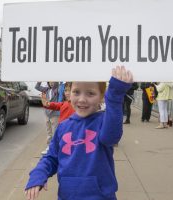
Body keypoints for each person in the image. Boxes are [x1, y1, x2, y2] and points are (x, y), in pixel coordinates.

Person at [25, 66, 133, 200]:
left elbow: (111, 137)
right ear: (69, 94)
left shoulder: (104, 121)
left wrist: (115, 96)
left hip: (101, 196)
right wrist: (38, 174)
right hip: (67, 196)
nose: (82, 99)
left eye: (90, 93)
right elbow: (51, 157)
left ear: (101, 97)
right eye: (76, 92)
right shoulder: (63, 127)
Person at [35, 82, 59, 155]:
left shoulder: (58, 90)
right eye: (50, 82)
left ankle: (55, 148)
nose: (51, 83)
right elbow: (37, 87)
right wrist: (40, 80)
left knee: (55, 131)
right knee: (49, 131)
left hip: (55, 113)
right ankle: (49, 146)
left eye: (53, 81)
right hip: (47, 113)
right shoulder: (46, 89)